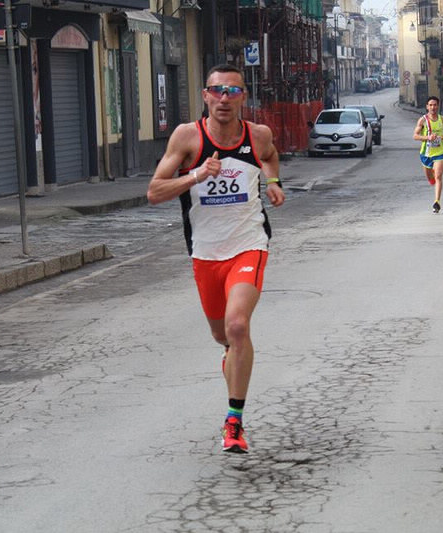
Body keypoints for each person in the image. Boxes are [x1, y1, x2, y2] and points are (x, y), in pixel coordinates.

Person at [147, 64, 285, 453]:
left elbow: (271, 156)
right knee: (222, 335)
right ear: (205, 95)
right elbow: (155, 192)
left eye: (233, 91)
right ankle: (231, 356)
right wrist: (196, 176)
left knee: (238, 325)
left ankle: (234, 422)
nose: (225, 98)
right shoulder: (187, 137)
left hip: (248, 244)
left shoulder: (258, 135)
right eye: (217, 91)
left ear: (244, 97)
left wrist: (273, 182)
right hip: (206, 253)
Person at [413, 96, 443, 213]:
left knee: (438, 176)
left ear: (438, 106)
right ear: (427, 107)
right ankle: (432, 179)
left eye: (435, 105)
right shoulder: (423, 120)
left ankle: (437, 202)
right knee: (430, 177)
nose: (433, 107)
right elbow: (415, 136)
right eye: (430, 105)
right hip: (426, 154)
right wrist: (427, 138)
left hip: (440, 152)